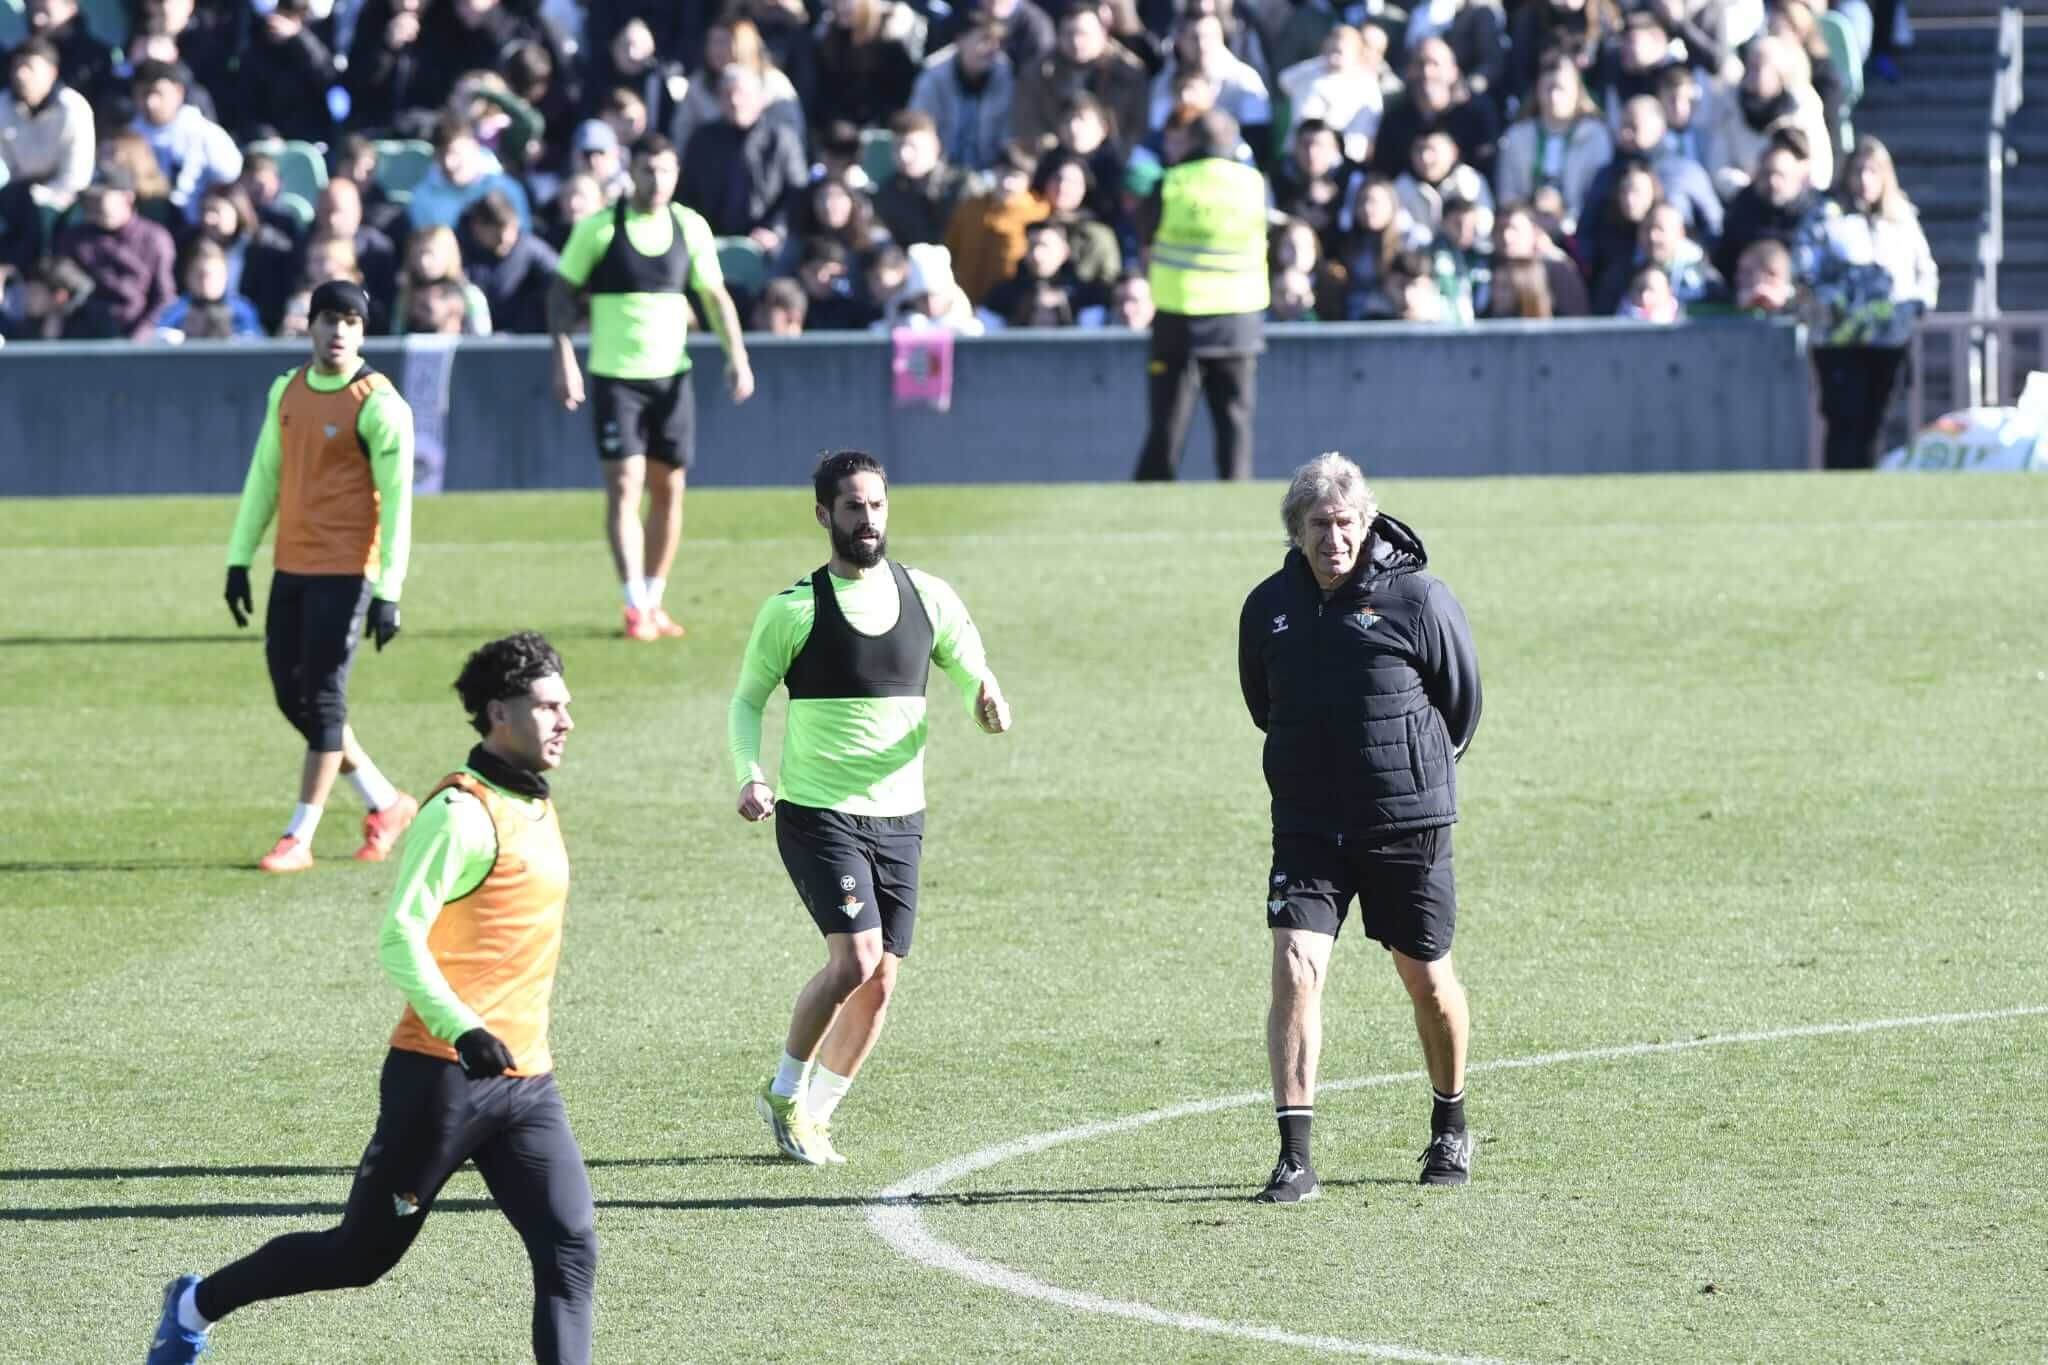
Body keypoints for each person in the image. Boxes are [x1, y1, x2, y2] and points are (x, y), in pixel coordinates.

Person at [145, 632, 596, 1365]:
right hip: (442, 1077)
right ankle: (194, 1306)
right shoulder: (459, 814)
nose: (565, 719)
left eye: (566, 704)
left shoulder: (534, 804)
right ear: (497, 713)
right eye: (548, 706)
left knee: (569, 1249)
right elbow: (400, 937)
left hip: (526, 1081)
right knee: (359, 1256)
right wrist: (464, 1026)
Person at [730, 450, 1011, 1166]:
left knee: (881, 979)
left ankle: (816, 1115)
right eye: (852, 507)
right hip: (819, 813)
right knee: (853, 958)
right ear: (824, 514)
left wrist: (988, 705)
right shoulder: (793, 609)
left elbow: (974, 673)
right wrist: (750, 773)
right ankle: (786, 1089)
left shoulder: (929, 598)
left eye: (877, 505)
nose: (867, 519)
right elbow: (747, 700)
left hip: (902, 817)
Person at [1238, 452, 1482, 1203]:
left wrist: (1407, 773)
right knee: (1295, 968)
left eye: (1347, 524)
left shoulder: (1418, 598)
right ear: (1296, 529)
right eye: (1320, 525)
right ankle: (1295, 1156)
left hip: (1405, 823)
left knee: (1426, 979)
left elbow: (1461, 704)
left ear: (1366, 523)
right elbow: (1261, 701)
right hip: (1309, 825)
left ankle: (1450, 1122)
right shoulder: (1268, 607)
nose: (1335, 539)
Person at [223, 279, 419, 873]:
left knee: (325, 699)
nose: (339, 331)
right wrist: (239, 558)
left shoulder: (379, 404)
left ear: (365, 332)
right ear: (308, 325)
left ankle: (298, 835)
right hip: (293, 565)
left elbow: (400, 500)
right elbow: (264, 476)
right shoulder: (287, 392)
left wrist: (389, 591)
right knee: (294, 697)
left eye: (351, 321)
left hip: (348, 570)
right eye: (329, 318)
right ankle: (386, 802)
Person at [550, 134, 756, 642]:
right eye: (647, 170)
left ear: (676, 173)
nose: (656, 181)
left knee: (670, 489)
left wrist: (738, 358)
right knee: (625, 487)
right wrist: (564, 360)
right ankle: (633, 604)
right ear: (631, 171)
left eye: (665, 171)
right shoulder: (599, 230)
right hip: (617, 380)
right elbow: (560, 293)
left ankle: (655, 597)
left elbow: (714, 296)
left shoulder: (690, 227)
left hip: (672, 378)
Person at [1133, 108, 1268, 481]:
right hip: (1239, 318)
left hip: (1180, 316)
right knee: (1235, 422)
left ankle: (1150, 497)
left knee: (1167, 424)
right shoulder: (1253, 183)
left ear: (1191, 140)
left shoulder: (1172, 182)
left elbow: (1144, 230)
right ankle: (1237, 496)